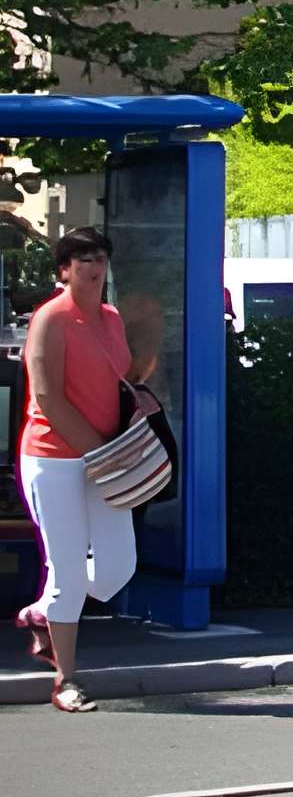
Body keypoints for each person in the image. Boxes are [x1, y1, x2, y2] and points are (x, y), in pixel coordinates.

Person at [17, 226, 152, 714]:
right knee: (69, 574)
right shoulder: (50, 319)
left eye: (100, 258)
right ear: (65, 270)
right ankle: (66, 681)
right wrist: (97, 452)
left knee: (118, 569)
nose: (95, 267)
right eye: (83, 260)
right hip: (54, 459)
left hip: (103, 458)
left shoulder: (112, 319)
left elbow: (118, 380)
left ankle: (44, 610)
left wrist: (138, 397)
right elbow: (48, 397)